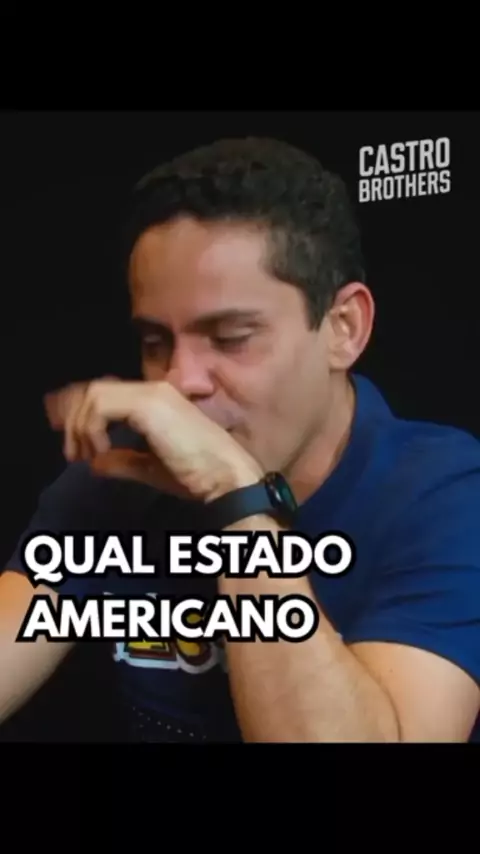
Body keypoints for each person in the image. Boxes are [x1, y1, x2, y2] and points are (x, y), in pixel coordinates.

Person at [1, 136, 479, 743]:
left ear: (344, 328)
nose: (178, 384)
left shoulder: (447, 496)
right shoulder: (119, 477)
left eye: (230, 339)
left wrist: (240, 501)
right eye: (154, 343)